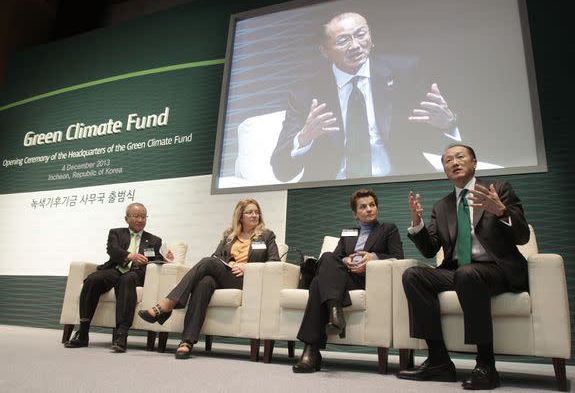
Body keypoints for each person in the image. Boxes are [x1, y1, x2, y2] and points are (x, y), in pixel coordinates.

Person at [397, 144, 530, 390]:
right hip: (459, 271)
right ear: (445, 170)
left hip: (497, 269)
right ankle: (438, 360)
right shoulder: (442, 206)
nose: (454, 162)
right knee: (413, 275)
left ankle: (486, 365)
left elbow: (522, 237)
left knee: (467, 274)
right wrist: (417, 225)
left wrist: (501, 211)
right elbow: (430, 250)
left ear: (474, 162)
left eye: (460, 157)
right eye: (448, 160)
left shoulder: (498, 190)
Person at [271, 11, 458, 183]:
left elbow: (431, 139)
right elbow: (281, 171)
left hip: (397, 182)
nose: (355, 45)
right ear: (324, 51)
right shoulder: (306, 93)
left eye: (361, 35)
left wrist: (447, 124)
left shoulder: (404, 75)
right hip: (332, 189)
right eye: (343, 40)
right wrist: (304, 137)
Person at [138, 198, 279, 359]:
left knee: (207, 262)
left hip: (247, 280)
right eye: (250, 212)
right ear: (240, 216)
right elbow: (216, 257)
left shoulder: (266, 235)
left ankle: (167, 304)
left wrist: (246, 267)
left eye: (256, 211)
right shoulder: (229, 235)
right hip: (226, 275)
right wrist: (231, 263)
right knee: (204, 283)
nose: (255, 215)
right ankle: (187, 342)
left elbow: (274, 261)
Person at [293, 188, 404, 373]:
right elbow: (335, 258)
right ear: (355, 213)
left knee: (317, 283)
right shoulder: (348, 233)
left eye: (372, 205)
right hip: (343, 278)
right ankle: (334, 310)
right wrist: (346, 260)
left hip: (368, 280)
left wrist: (373, 258)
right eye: (363, 207)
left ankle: (311, 349)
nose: (369, 209)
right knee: (327, 257)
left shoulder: (388, 229)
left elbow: (398, 258)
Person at [65, 202, 171, 352]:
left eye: (143, 217)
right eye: (136, 216)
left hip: (136, 273)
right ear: (126, 218)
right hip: (115, 269)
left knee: (127, 280)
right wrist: (129, 256)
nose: (140, 220)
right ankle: (83, 332)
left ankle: (121, 335)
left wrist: (168, 259)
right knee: (93, 279)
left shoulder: (154, 240)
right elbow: (113, 250)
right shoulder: (116, 233)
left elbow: (156, 260)